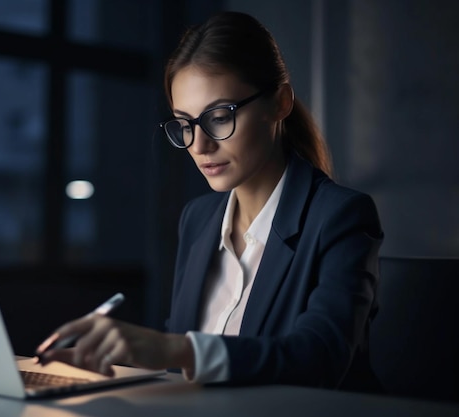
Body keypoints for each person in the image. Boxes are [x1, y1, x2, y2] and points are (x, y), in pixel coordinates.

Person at [36, 11, 384, 391]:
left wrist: (177, 351)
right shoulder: (198, 219)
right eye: (185, 124)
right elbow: (179, 367)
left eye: (219, 117)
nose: (199, 146)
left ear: (280, 103)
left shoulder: (340, 217)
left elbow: (319, 357)